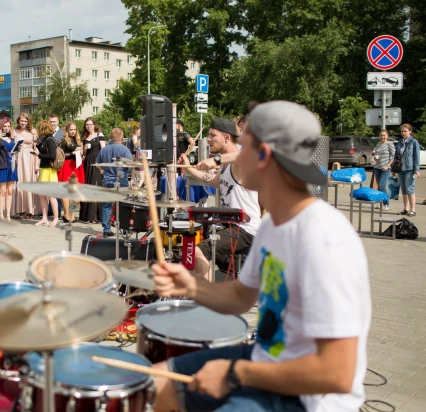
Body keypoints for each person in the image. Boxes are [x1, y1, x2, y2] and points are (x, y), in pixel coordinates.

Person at [151, 101, 371, 412]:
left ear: (263, 156)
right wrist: (189, 286)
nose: (236, 153)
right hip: (263, 359)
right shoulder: (271, 224)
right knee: (155, 384)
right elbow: (241, 296)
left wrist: (234, 374)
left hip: (307, 397)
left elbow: (337, 373)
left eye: (243, 144)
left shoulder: (325, 239)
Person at [180, 118, 261, 281]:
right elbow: (215, 181)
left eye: (212, 135)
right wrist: (188, 168)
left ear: (226, 138)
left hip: (245, 227)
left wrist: (215, 160)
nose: (208, 139)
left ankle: (209, 301)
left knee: (195, 252)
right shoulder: (227, 162)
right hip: (233, 224)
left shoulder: (238, 161)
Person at [95, 128, 133, 237]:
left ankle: (106, 229)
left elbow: (97, 162)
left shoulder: (104, 149)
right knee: (124, 205)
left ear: (111, 137)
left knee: (107, 205)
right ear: (122, 138)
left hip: (107, 180)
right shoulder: (125, 149)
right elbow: (130, 164)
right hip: (122, 181)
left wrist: (102, 170)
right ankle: (125, 229)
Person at [0, 117, 18, 221]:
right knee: (2, 191)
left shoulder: (12, 137)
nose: (6, 128)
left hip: (12, 165)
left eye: (8, 126)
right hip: (2, 165)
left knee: (10, 191)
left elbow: (15, 150)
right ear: (1, 127)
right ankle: (1, 214)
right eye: (4, 126)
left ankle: (8, 215)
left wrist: (17, 147)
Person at [57, 122, 85, 223]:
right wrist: (72, 153)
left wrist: (81, 154)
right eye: (71, 130)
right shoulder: (64, 141)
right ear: (67, 130)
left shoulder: (78, 140)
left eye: (74, 129)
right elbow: (61, 155)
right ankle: (66, 215)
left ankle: (72, 215)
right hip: (67, 165)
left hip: (77, 165)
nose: (73, 131)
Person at [79, 117, 105, 224]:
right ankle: (87, 216)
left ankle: (96, 216)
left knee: (95, 186)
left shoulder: (100, 135)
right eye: (87, 125)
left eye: (90, 124)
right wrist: (84, 148)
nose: (89, 126)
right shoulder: (84, 137)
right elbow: (83, 154)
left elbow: (103, 150)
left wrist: (102, 165)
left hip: (97, 162)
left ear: (94, 125)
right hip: (87, 163)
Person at [13, 113, 38, 219]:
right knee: (19, 181)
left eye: (25, 121)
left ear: (28, 122)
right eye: (22, 120)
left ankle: (30, 209)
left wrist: (36, 163)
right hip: (18, 157)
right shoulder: (14, 131)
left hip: (30, 158)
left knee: (29, 181)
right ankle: (20, 209)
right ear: (18, 121)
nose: (23, 123)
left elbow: (36, 148)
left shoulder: (33, 132)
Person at [34, 120, 59, 227]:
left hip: (49, 170)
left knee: (51, 196)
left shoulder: (50, 140)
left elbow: (52, 156)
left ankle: (56, 218)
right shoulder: (44, 139)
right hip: (44, 169)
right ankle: (44, 218)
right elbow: (44, 151)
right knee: (42, 195)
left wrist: (38, 155)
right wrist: (38, 146)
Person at [394, 124, 421, 217]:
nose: (403, 133)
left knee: (410, 189)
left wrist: (416, 169)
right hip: (401, 169)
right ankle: (405, 208)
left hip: (410, 168)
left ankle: (413, 209)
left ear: (410, 131)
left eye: (405, 131)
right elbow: (396, 156)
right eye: (402, 131)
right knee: (404, 189)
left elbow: (416, 156)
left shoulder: (414, 142)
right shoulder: (400, 142)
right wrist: (394, 169)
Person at [372, 130, 396, 211]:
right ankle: (380, 203)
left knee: (382, 186)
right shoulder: (378, 144)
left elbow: (393, 157)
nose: (382, 137)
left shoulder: (390, 144)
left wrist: (387, 165)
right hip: (377, 167)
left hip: (386, 168)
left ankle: (386, 204)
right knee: (379, 186)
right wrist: (375, 157)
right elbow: (375, 154)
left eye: (384, 135)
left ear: (387, 136)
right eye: (381, 135)